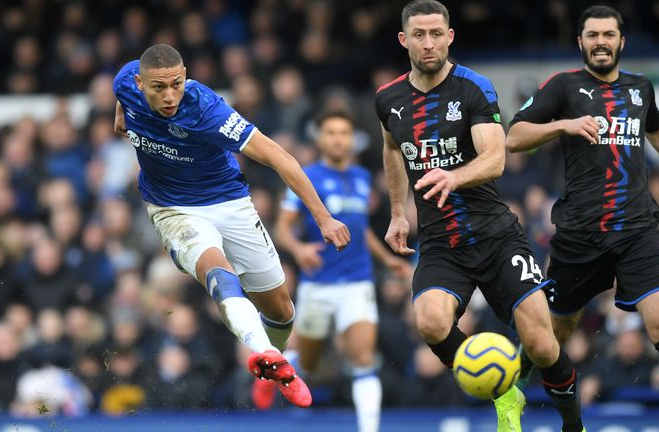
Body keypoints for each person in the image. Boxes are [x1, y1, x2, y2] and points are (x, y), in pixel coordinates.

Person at [506, 6, 659, 432]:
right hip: (579, 235)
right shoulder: (564, 87)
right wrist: (564, 125)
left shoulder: (641, 89)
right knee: (553, 337)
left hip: (638, 230)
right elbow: (514, 137)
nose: (600, 41)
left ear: (622, 42)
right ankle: (514, 388)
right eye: (592, 35)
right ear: (581, 42)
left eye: (608, 34)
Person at [375, 2, 585, 432]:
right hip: (440, 243)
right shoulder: (389, 99)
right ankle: (505, 392)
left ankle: (573, 425)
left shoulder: (474, 87)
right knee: (431, 321)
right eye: (419, 34)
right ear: (404, 40)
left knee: (542, 344)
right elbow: (393, 149)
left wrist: (453, 177)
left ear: (450, 36)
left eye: (436, 33)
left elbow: (495, 158)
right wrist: (398, 213)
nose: (428, 42)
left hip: (495, 236)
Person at [112, 44, 351, 408]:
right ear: (139, 83)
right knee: (217, 269)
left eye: (176, 83)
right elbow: (122, 108)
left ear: (187, 75)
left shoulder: (206, 110)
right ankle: (265, 355)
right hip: (173, 208)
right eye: (159, 87)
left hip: (229, 201)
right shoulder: (124, 83)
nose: (170, 95)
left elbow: (279, 157)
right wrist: (123, 124)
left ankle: (270, 361)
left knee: (281, 311)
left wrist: (323, 217)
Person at [272, 110, 411, 430]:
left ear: (352, 140)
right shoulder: (305, 178)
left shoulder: (362, 179)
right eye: (331, 132)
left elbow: (359, 230)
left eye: (344, 133)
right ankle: (282, 366)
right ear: (320, 139)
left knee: (363, 360)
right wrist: (298, 249)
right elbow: (282, 229)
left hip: (357, 283)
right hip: (317, 284)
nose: (338, 139)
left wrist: (385, 258)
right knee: (309, 362)